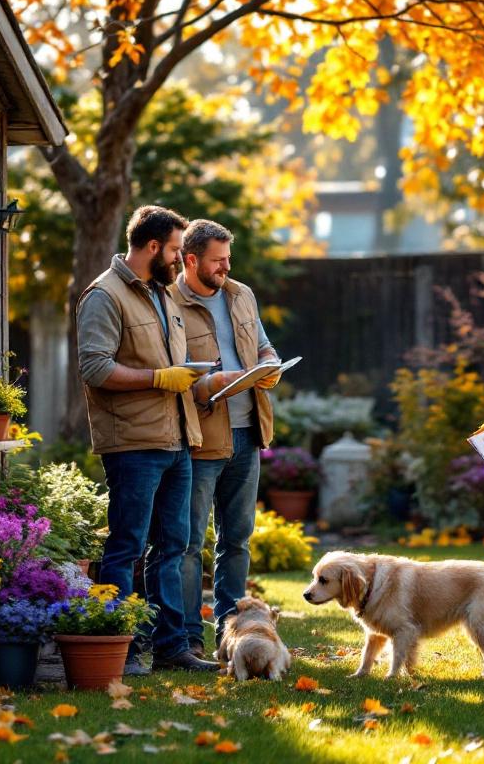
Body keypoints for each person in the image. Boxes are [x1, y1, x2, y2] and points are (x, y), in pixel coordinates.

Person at [75, 205, 219, 674]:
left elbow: (177, 371)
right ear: (153, 246)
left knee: (173, 547)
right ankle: (123, 648)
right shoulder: (104, 295)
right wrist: (160, 378)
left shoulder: (162, 295)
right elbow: (95, 368)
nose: (181, 259)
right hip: (133, 444)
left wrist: (209, 384)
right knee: (126, 547)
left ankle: (172, 647)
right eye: (177, 250)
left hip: (176, 440)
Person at [172, 219, 279, 656]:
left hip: (247, 432)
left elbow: (264, 344)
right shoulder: (170, 302)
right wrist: (214, 382)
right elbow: (174, 370)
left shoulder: (241, 295)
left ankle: (230, 638)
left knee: (236, 541)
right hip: (200, 437)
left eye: (228, 259)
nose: (225, 268)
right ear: (191, 259)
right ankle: (186, 641)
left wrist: (269, 364)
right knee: (190, 544)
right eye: (218, 261)